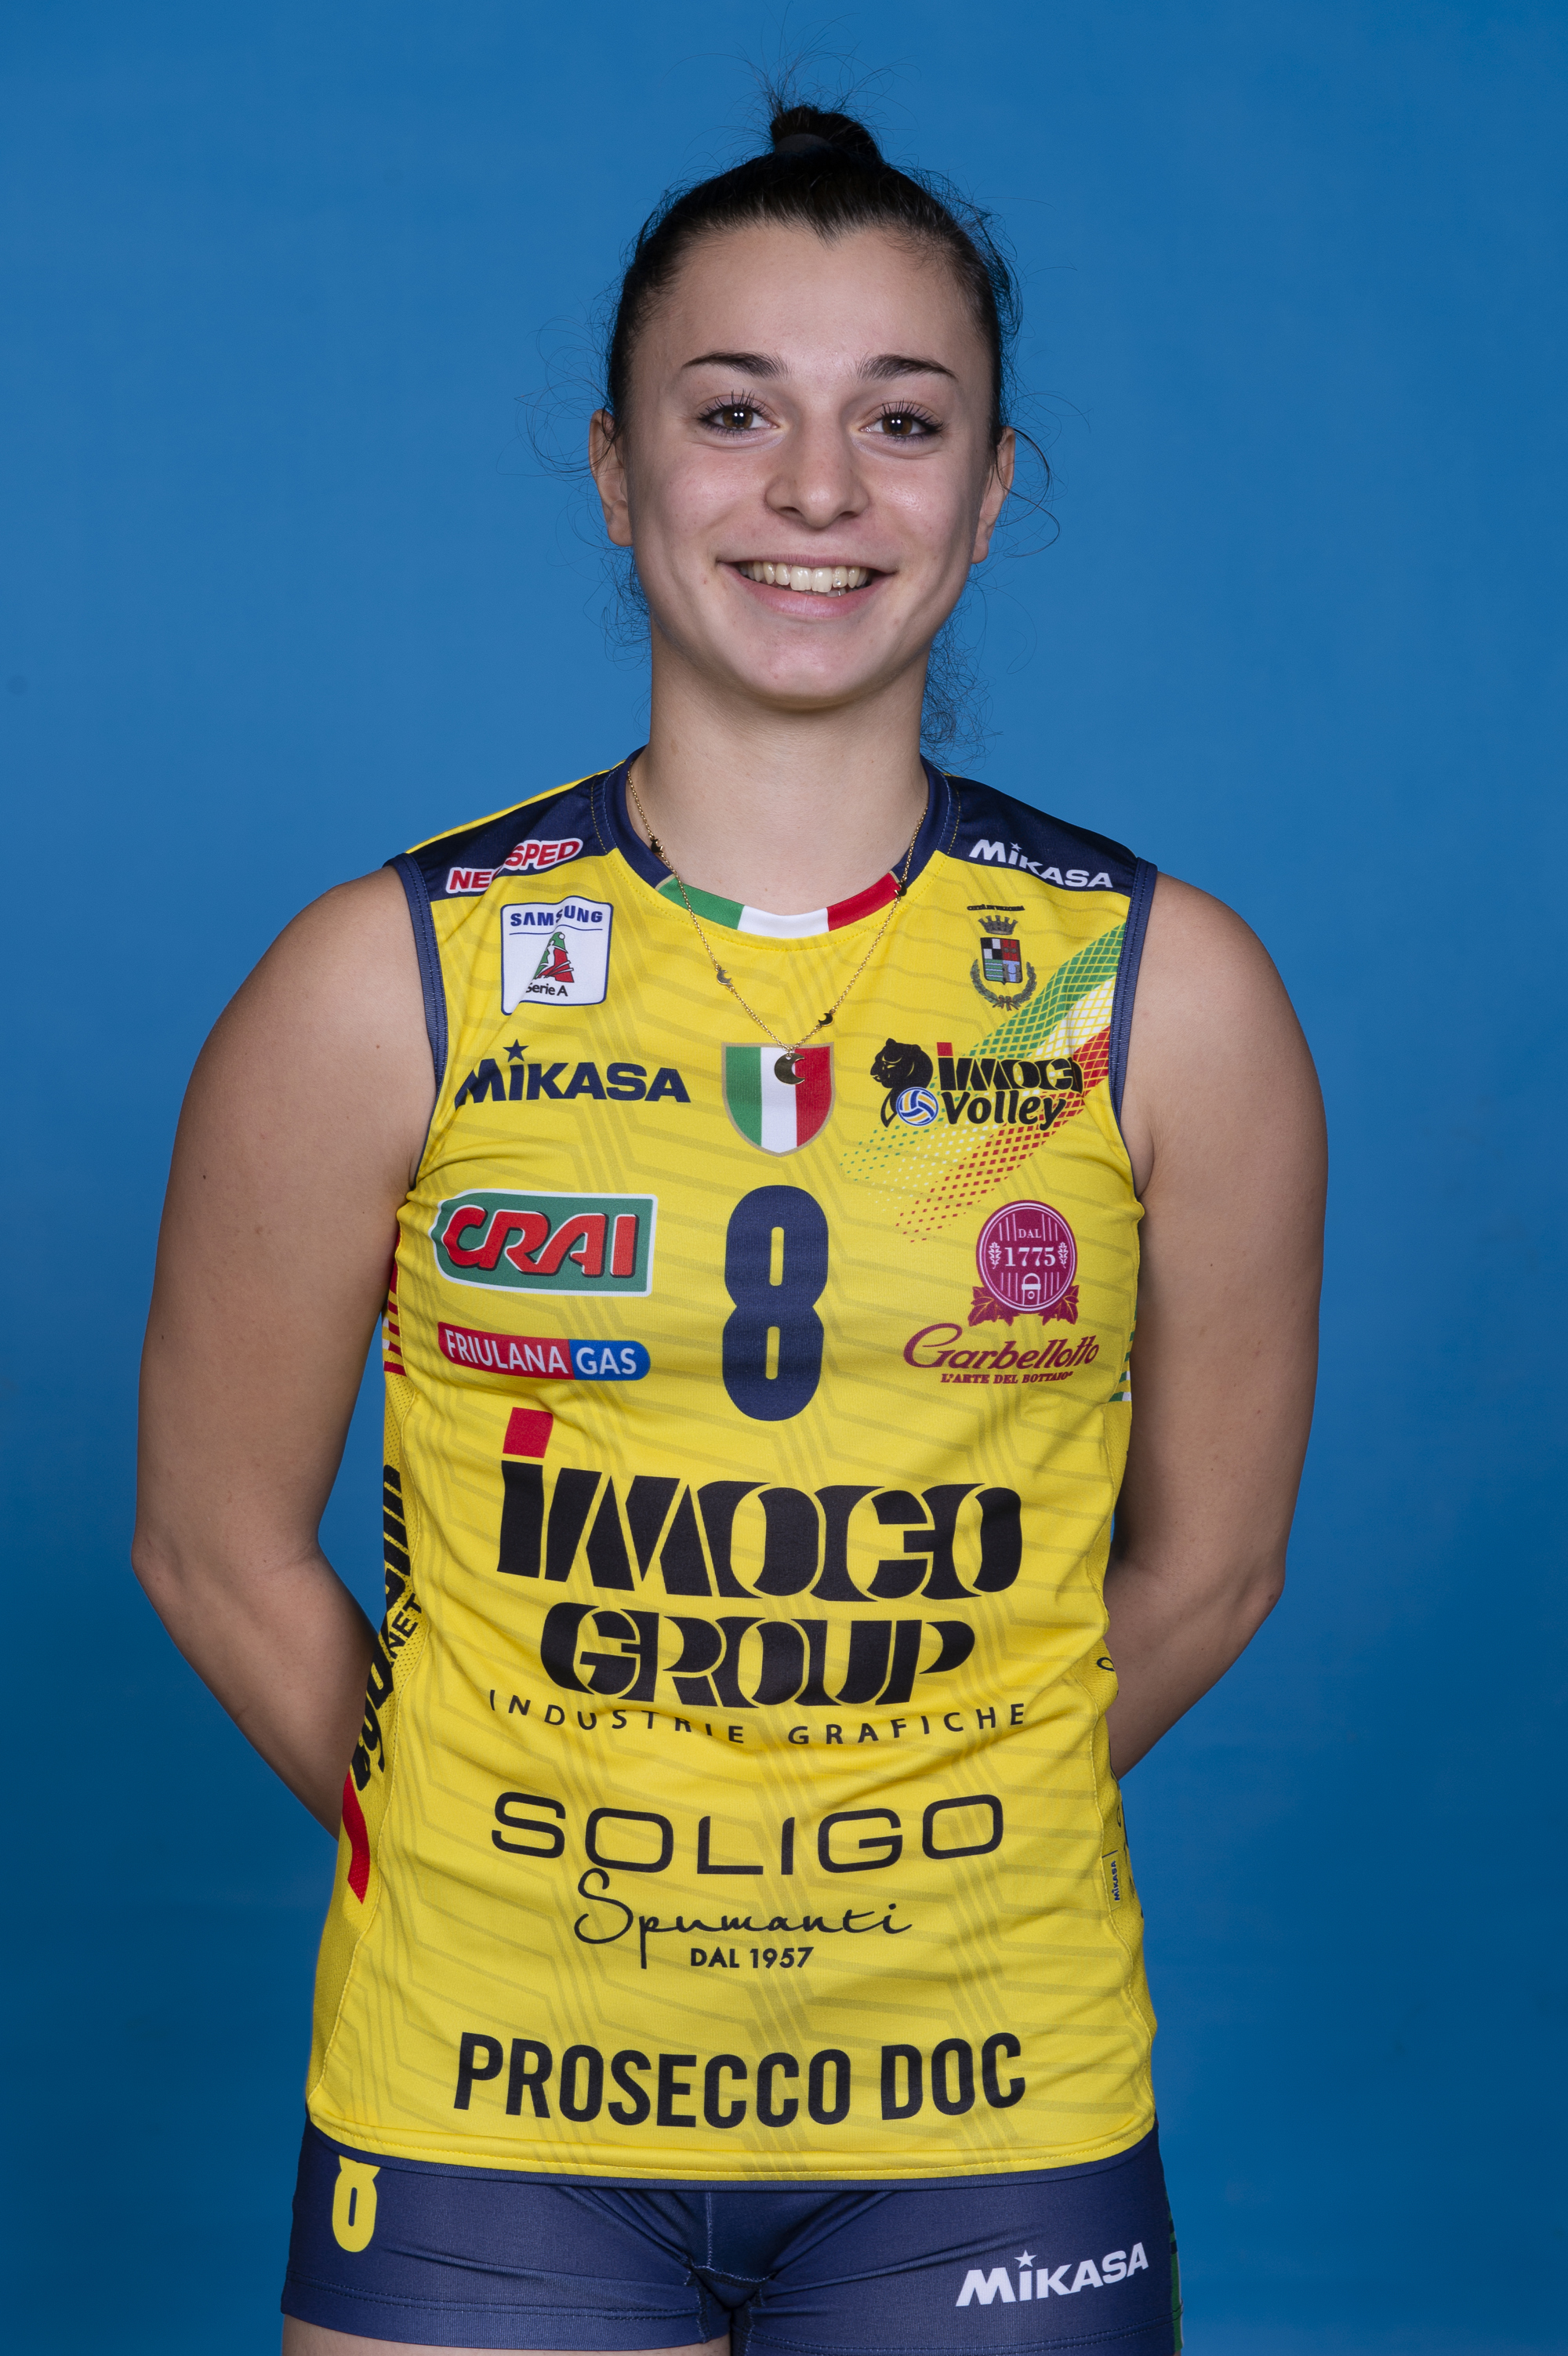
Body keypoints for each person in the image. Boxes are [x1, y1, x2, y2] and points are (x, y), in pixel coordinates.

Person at [134, 100, 1325, 2356]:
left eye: (902, 421)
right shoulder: (387, 980)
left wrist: (898, 1821)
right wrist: (501, 1823)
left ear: (992, 486)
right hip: (485, 2095)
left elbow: (1213, 1572)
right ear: (615, 470)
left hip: (987, 2099)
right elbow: (209, 1547)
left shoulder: (1163, 993)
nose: (817, 491)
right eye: (734, 411)